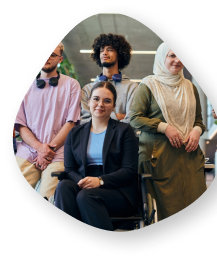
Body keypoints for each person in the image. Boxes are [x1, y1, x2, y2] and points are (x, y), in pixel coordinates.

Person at [130, 42, 207, 222]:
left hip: (190, 158)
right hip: (159, 159)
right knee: (167, 209)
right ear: (162, 57)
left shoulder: (190, 86)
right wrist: (164, 127)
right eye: (171, 55)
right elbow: (134, 118)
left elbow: (198, 120)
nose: (177, 60)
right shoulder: (148, 85)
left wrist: (196, 130)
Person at [54, 81, 139, 231]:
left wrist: (100, 181)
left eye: (107, 101)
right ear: (89, 102)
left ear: (113, 106)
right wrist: (82, 182)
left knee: (86, 196)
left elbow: (129, 170)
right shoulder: (75, 133)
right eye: (96, 99)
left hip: (117, 190)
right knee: (63, 187)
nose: (100, 104)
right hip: (84, 181)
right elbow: (70, 169)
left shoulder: (124, 130)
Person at [15, 42, 81, 200]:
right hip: (27, 151)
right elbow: (21, 125)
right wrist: (39, 149)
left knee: (48, 199)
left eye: (52, 54)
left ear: (60, 59)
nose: (47, 57)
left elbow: (71, 123)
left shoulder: (72, 85)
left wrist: (47, 151)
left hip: (57, 155)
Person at [81, 33, 138, 124]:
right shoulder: (87, 89)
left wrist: (99, 119)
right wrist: (116, 117)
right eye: (101, 50)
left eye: (110, 49)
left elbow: (131, 122)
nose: (104, 53)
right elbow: (84, 123)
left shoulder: (132, 88)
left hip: (121, 138)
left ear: (119, 54)